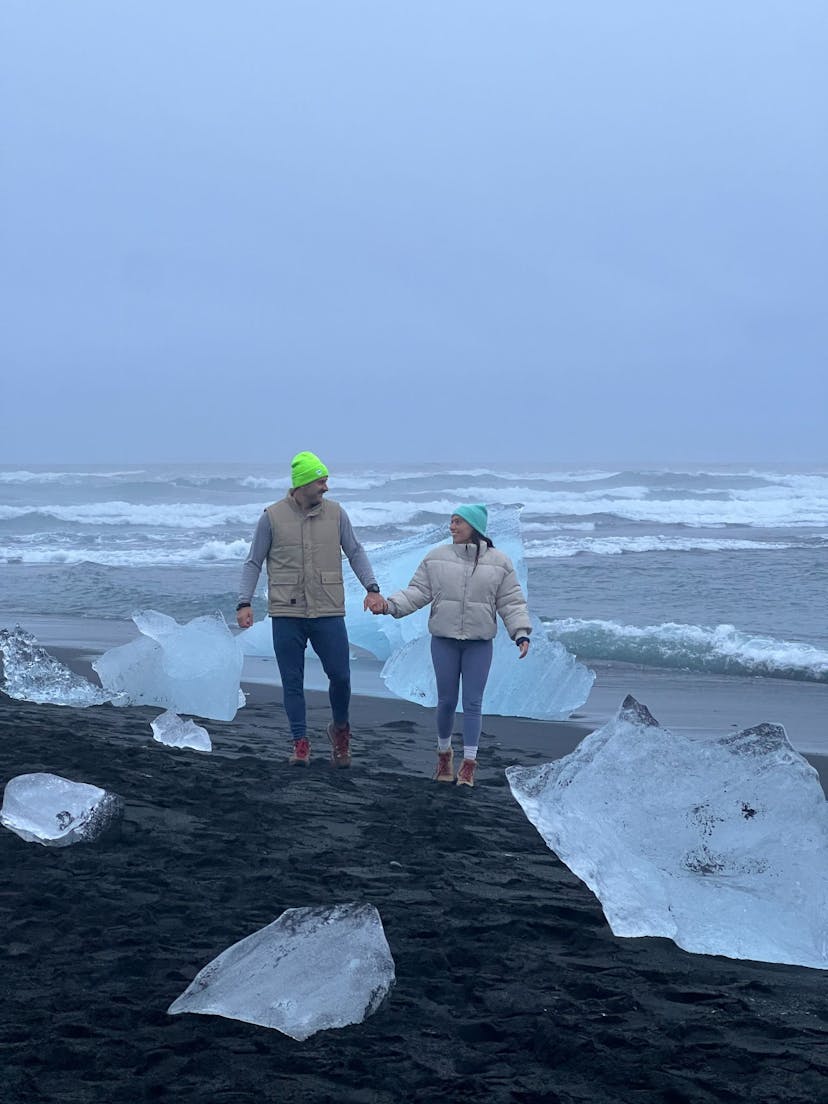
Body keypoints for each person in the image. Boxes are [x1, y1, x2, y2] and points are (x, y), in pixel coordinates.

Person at [236, 451, 385, 767]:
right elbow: (253, 562)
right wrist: (244, 602)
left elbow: (356, 552)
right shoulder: (272, 517)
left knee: (341, 677)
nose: (326, 487)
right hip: (287, 613)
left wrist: (372, 589)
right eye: (321, 481)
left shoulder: (336, 514)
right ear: (303, 483)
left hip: (328, 611)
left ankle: (340, 729)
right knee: (292, 681)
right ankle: (300, 742)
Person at [365, 504, 530, 787]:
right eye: (451, 522)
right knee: (446, 701)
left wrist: (521, 633)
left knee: (473, 703)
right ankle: (444, 755)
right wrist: (390, 606)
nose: (451, 527)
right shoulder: (436, 558)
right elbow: (417, 592)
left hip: (479, 644)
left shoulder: (500, 562)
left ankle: (468, 764)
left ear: (474, 526)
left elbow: (511, 602)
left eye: (457, 522)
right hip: (444, 641)